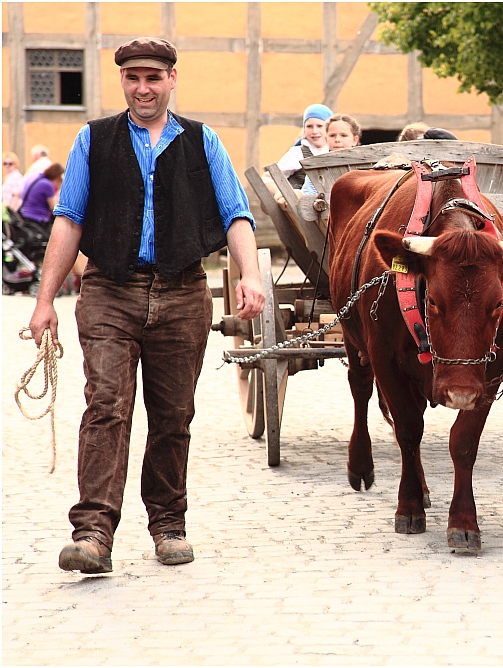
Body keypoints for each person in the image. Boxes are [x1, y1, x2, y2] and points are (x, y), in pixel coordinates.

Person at [27, 37, 265, 575]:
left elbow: (236, 214)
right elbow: (69, 219)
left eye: (152, 78)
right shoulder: (94, 140)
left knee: (173, 415)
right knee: (106, 404)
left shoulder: (203, 142)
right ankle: (92, 533)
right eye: (132, 78)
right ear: (123, 82)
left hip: (183, 293)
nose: (142, 88)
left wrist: (251, 274)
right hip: (109, 290)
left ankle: (168, 524)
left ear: (171, 79)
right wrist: (45, 301)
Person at [264, 104, 332, 205]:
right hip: (302, 208)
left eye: (319, 126)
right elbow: (268, 178)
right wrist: (281, 194)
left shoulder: (334, 152)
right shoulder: (297, 153)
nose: (314, 131)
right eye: (309, 126)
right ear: (304, 129)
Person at [301, 114, 363, 196]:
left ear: (355, 140)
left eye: (343, 135)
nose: (337, 140)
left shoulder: (364, 167)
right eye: (332, 135)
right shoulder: (317, 166)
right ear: (326, 139)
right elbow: (308, 195)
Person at [17, 163, 63, 229]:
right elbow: (54, 208)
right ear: (57, 178)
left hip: (26, 216)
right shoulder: (47, 184)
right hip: (38, 219)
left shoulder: (37, 178)